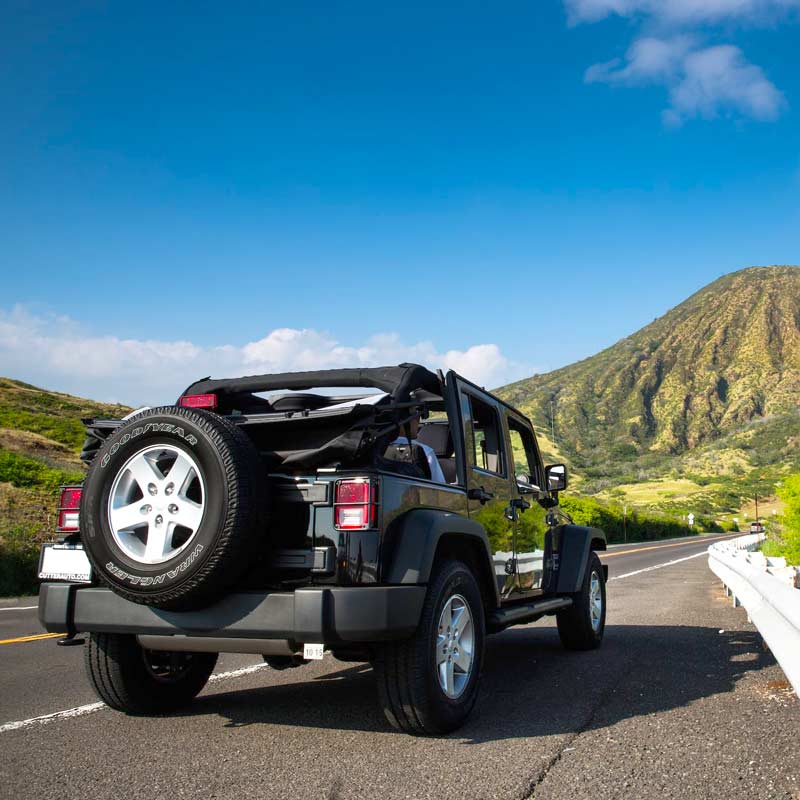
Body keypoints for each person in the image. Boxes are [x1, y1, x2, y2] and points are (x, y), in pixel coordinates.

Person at [390, 416, 446, 484]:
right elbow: (439, 485)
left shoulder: (377, 447)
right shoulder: (424, 451)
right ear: (403, 421)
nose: (418, 421)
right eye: (416, 416)